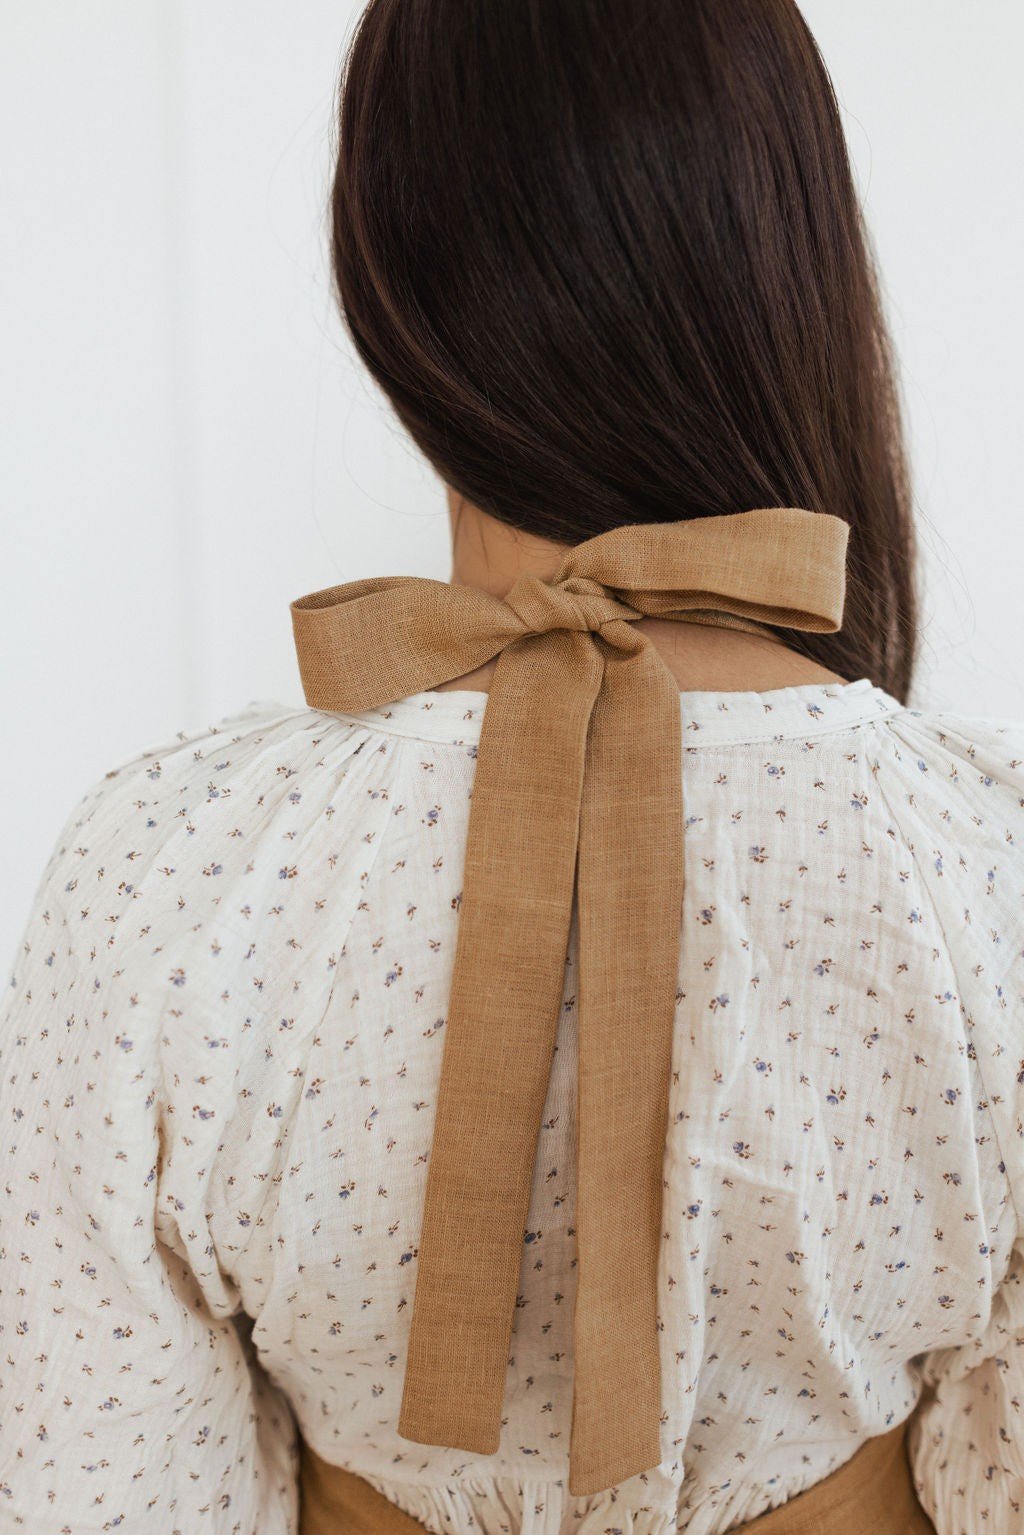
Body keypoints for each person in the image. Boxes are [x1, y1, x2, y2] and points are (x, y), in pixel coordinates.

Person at [1, 2, 1021, 1532]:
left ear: (384, 284)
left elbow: (103, 1499)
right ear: (793, 264)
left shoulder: (167, 876)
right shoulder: (992, 877)